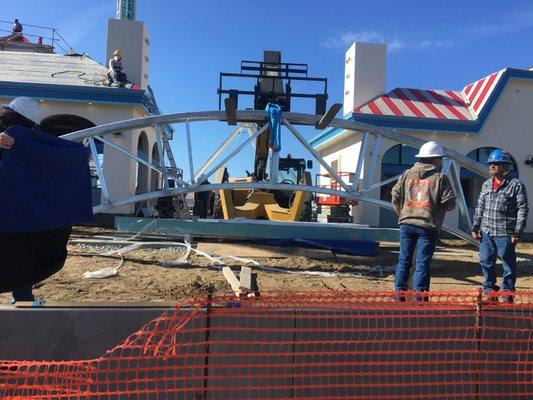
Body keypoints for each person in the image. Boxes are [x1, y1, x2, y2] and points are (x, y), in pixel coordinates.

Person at [0, 97, 73, 303]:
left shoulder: (30, 142)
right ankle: (23, 298)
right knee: (23, 250)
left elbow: (50, 159)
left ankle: (23, 298)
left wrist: (75, 159)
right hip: (18, 209)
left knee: (22, 249)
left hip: (17, 208)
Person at [391, 141, 456, 297]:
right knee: (422, 263)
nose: (441, 161)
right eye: (440, 158)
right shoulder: (440, 178)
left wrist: (403, 215)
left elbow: (395, 197)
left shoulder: (406, 174)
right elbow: (450, 205)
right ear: (433, 159)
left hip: (406, 223)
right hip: (427, 226)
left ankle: (398, 295)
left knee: (404, 261)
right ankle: (420, 298)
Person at [471, 149, 528, 302]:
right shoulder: (486, 185)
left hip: (505, 232)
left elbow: (522, 209)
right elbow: (480, 207)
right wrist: (475, 227)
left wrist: (517, 232)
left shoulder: (516, 186)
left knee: (508, 264)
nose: (492, 166)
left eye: (496, 164)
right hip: (486, 231)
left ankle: (507, 293)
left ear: (506, 167)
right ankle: (489, 291)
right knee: (485, 261)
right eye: (491, 163)